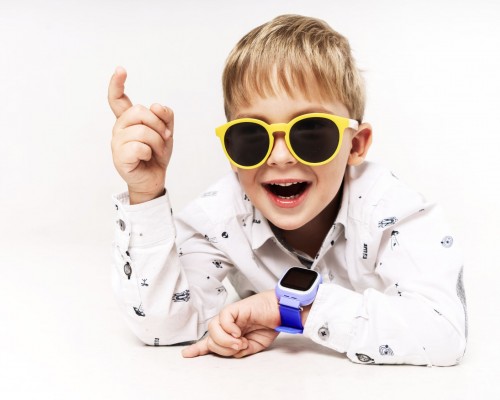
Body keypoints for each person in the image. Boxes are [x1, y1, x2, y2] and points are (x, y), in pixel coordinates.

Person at [108, 14, 467, 366]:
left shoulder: (391, 210)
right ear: (231, 153)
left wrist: (290, 309)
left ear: (355, 145)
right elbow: (163, 325)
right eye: (252, 135)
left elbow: (443, 332)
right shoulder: (221, 217)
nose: (280, 157)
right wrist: (145, 193)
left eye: (311, 132)